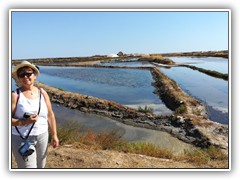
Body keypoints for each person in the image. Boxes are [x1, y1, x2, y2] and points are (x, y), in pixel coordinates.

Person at [12, 60, 59, 168]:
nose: (25, 77)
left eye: (28, 73)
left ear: (35, 75)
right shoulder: (15, 95)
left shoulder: (43, 92)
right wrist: (24, 122)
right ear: (18, 78)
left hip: (42, 136)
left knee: (41, 166)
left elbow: (50, 115)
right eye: (22, 75)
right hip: (21, 139)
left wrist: (54, 135)